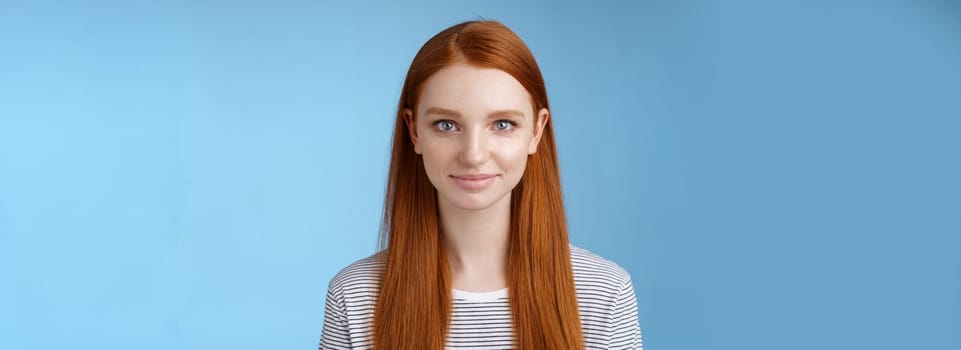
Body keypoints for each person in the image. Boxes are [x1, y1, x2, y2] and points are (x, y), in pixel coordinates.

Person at [319, 20, 642, 350]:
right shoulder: (355, 298)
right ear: (414, 131)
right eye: (446, 125)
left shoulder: (604, 294)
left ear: (536, 131)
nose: (473, 155)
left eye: (502, 124)